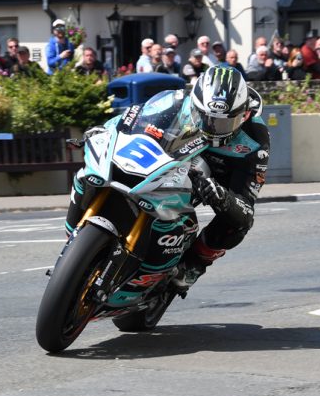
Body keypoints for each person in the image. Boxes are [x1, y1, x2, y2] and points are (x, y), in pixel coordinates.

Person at [64, 65, 269, 291]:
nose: (213, 128)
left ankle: (194, 266)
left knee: (238, 224)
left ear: (245, 113)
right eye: (206, 118)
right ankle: (75, 234)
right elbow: (131, 118)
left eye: (223, 123)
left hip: (216, 177)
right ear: (195, 103)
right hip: (170, 160)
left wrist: (223, 197)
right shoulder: (175, 101)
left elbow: (246, 206)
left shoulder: (255, 139)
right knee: (87, 173)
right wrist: (103, 131)